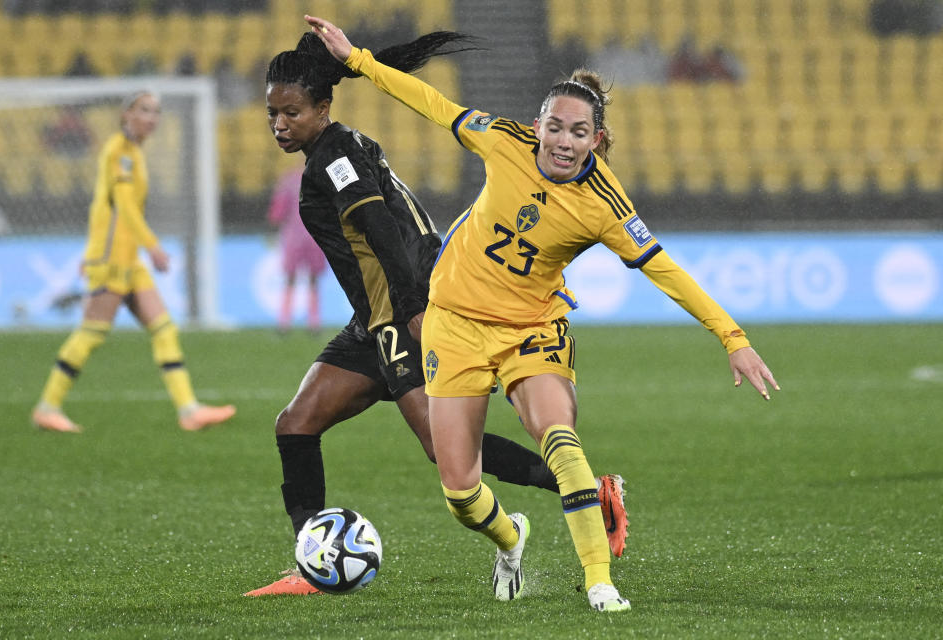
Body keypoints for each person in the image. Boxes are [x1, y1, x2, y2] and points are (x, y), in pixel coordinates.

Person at [308, 14, 780, 613]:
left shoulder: (605, 203)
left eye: (578, 132)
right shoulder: (504, 140)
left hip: (532, 331)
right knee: (459, 491)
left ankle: (599, 582)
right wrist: (358, 60)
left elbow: (665, 270)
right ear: (538, 127)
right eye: (554, 127)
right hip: (453, 324)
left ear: (597, 140)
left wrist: (731, 336)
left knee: (559, 437)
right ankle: (511, 539)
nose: (563, 141)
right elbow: (431, 101)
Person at [243, 30, 628, 597]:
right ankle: (311, 561)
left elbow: (380, 230)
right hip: (372, 319)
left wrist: (413, 307)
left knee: (446, 451)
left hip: (403, 309)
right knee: (295, 425)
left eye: (290, 112)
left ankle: (591, 493)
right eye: (272, 113)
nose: (279, 123)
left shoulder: (337, 156)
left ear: (321, 108)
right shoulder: (333, 150)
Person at [31, 91, 236, 434]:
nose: (151, 118)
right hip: (111, 259)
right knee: (92, 333)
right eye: (144, 110)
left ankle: (188, 410)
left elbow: (105, 208)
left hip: (129, 260)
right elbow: (123, 207)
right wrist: (153, 246)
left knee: (164, 329)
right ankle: (47, 406)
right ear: (126, 114)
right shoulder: (119, 152)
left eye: (156, 112)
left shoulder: (133, 152)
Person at [266, 163, 328, 332]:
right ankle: (314, 322)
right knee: (313, 279)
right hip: (315, 235)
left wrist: (273, 228)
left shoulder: (288, 181)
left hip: (294, 235)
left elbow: (277, 212)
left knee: (290, 278)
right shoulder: (321, 180)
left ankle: (284, 322)